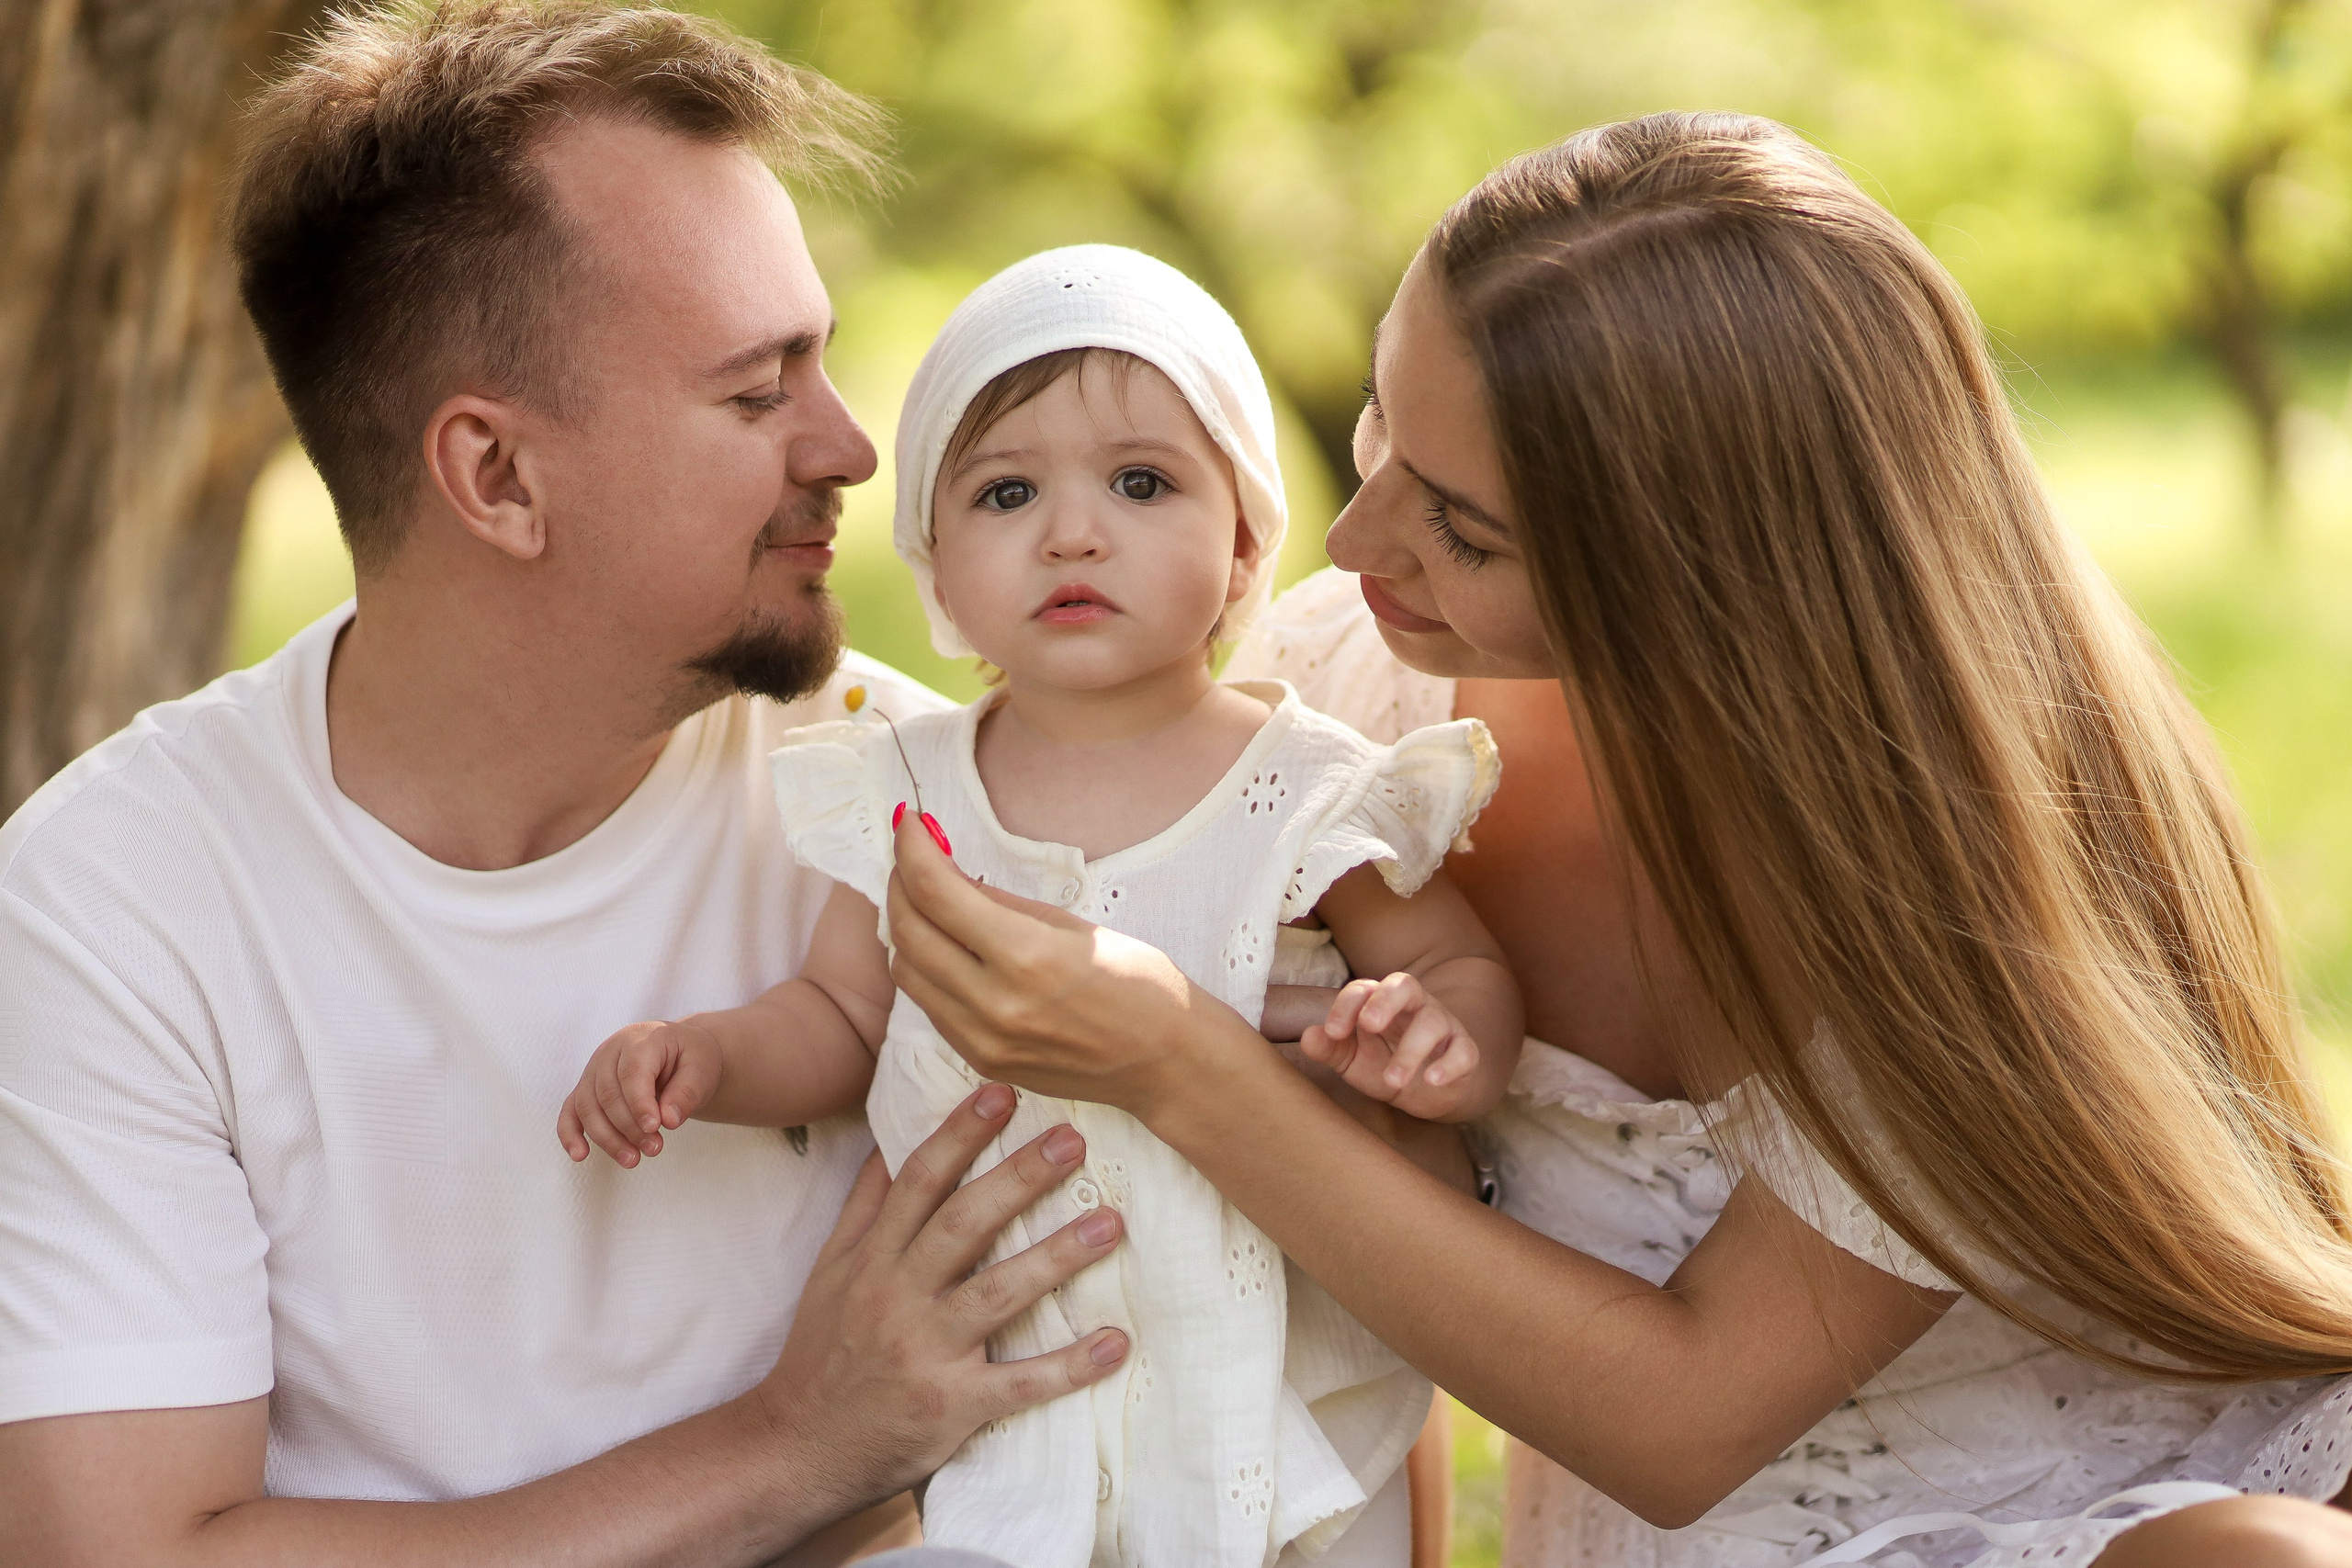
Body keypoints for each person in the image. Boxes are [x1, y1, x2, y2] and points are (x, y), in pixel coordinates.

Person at [881, 113, 2352, 1567]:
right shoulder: (1342, 705)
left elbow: (1686, 1425)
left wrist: (1180, 1062)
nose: (1353, 539)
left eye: (1462, 527)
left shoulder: (1984, 857)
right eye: (1383, 422)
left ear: (1699, 581)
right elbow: (1332, 1258)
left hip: (2109, 1520)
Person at [0, 6, 1130, 1564]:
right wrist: (797, 1446)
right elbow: (127, 1555)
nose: (853, 448)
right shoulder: (117, 901)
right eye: (757, 392)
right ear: (497, 479)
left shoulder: (936, 810)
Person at [556, 243, 1522, 1568]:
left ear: (1242, 546)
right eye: (1007, 493)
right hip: (1015, 1410)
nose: (1074, 532)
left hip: (1272, 1385)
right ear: (940, 576)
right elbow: (842, 1017)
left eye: (1141, 483)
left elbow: (1461, 974)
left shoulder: (1306, 790)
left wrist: (1433, 1040)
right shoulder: (911, 793)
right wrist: (706, 1058)